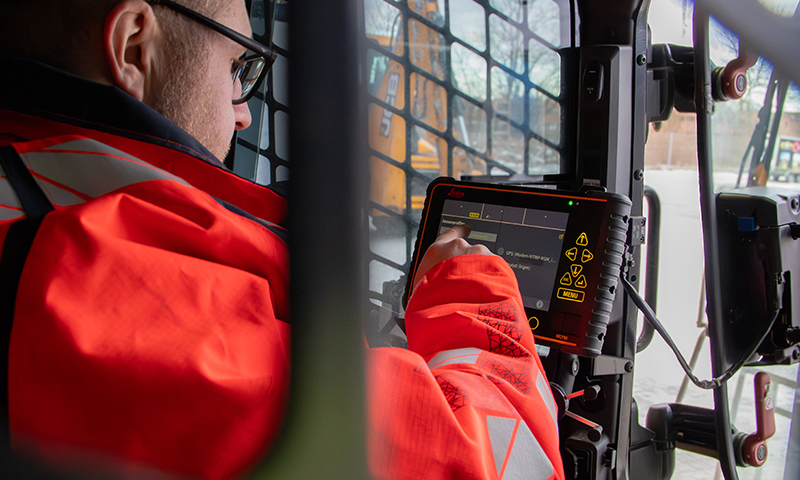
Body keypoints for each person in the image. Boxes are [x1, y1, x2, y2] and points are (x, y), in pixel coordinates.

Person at [0, 1, 563, 479]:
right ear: (134, 47)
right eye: (235, 66)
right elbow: (500, 459)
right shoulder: (83, 276)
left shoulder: (48, 195)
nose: (244, 114)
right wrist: (472, 293)